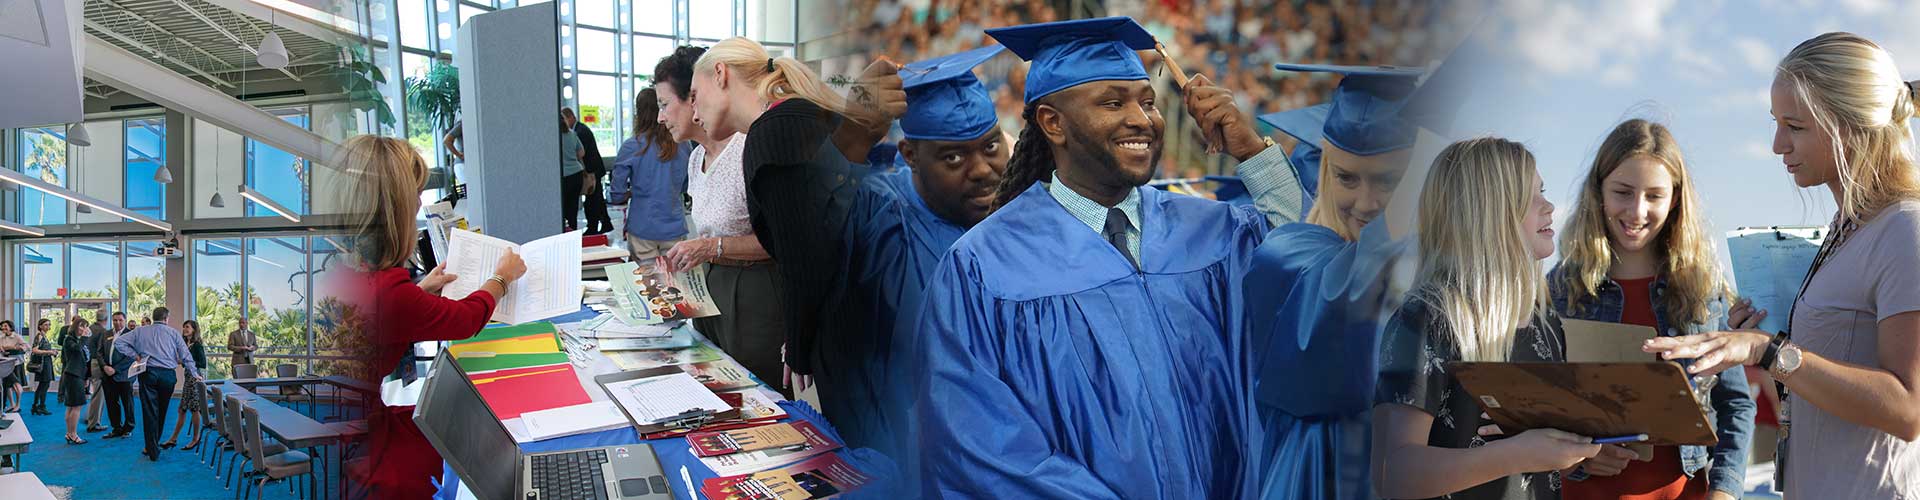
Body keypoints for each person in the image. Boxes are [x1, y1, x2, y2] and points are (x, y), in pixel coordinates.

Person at [911, 17, 1291, 497]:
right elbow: (978, 447)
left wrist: (1254, 152)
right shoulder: (983, 268)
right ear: (1053, 123)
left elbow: (1305, 286)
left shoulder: (1215, 234)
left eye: (1147, 101)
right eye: (1113, 102)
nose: (1143, 119)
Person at [1643, 32, 1920, 498]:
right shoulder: (1848, 229)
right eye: (1777, 123)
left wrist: (1767, 351)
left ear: (1850, 124)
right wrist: (1771, 337)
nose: (1777, 145)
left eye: (1795, 126)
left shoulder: (1905, 230)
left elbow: (1909, 410)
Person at [1242, 63, 1434, 500]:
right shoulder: (1290, 257)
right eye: (1346, 177)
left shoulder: (1445, 270)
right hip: (1324, 478)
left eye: (1388, 181)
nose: (1366, 203)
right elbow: (1350, 291)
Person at [1371, 137, 1601, 500]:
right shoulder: (1426, 319)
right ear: (1488, 211)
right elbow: (1394, 474)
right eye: (1531, 196)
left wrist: (1582, 449)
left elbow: (1546, 461)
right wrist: (1515, 453)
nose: (1550, 206)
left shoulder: (1545, 323)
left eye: (1544, 191)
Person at [1550, 119, 1755, 500]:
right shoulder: (1560, 289)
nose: (1637, 211)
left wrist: (1725, 491)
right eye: (1623, 192)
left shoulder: (1703, 288)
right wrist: (1578, 458)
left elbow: (1736, 405)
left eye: (1654, 196)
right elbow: (1535, 407)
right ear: (1599, 193)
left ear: (1675, 198)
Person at [336, 134, 527, 497]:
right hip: (365, 448)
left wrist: (419, 291)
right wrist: (501, 278)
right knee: (465, 445)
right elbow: (466, 320)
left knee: (453, 426)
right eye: (415, 199)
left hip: (350, 430)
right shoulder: (389, 292)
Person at [655, 45, 791, 394]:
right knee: (713, 387)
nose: (660, 117)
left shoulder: (749, 146)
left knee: (755, 394)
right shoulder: (695, 157)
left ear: (694, 98)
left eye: (664, 104)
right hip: (710, 289)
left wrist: (711, 246)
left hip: (754, 293)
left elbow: (783, 238)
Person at [609, 88, 691, 266]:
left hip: (642, 227)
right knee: (674, 286)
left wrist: (632, 192)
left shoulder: (631, 146)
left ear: (640, 112)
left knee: (649, 286)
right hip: (674, 226)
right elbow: (686, 187)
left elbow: (616, 194)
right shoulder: (684, 144)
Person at [113, 306, 202, 461]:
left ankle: (151, 448)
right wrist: (195, 374)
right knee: (161, 411)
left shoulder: (140, 331)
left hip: (148, 373)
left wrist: (135, 356)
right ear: (166, 319)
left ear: (153, 318)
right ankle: (153, 445)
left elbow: (119, 343)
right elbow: (186, 356)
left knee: (149, 412)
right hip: (167, 376)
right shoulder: (173, 333)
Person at [565, 107, 615, 235]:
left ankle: (593, 227)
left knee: (593, 200)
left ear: (571, 117)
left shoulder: (579, 132)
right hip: (594, 170)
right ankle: (605, 223)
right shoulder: (580, 129)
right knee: (596, 199)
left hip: (592, 171)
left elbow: (581, 153)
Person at [162, 319, 209, 451]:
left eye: (187, 327)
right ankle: (173, 438)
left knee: (194, 409)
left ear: (194, 329)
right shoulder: (185, 344)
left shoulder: (197, 345)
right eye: (184, 327)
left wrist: (186, 361)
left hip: (195, 379)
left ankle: (195, 438)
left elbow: (202, 363)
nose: (185, 329)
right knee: (181, 409)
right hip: (188, 378)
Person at [94, 312, 136, 438]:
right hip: (107, 375)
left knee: (127, 403)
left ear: (125, 320)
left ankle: (128, 428)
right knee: (111, 403)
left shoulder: (131, 334)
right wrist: (104, 366)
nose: (117, 323)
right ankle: (116, 428)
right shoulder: (106, 334)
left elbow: (131, 355)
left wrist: (115, 369)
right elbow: (99, 352)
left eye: (120, 320)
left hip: (124, 375)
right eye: (115, 320)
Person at [58, 318, 92, 445]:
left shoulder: (78, 340)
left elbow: (84, 360)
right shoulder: (69, 339)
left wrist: (86, 377)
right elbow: (77, 350)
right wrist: (84, 338)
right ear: (75, 327)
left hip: (77, 375)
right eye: (81, 326)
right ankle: (73, 434)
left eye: (85, 326)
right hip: (73, 375)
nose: (84, 329)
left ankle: (69, 433)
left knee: (71, 406)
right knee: (76, 406)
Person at [560, 109, 592, 232]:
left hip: (562, 176)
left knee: (562, 210)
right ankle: (572, 233)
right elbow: (581, 153)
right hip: (576, 175)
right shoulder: (572, 133)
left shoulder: (554, 136)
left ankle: (563, 235)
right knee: (573, 209)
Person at [84, 310, 110, 431]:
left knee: (95, 392)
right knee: (99, 393)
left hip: (90, 363)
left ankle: (89, 417)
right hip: (98, 363)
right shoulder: (103, 332)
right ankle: (94, 423)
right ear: (106, 319)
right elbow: (102, 350)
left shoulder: (90, 328)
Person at [27, 320, 56, 416]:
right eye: (46, 325)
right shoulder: (39, 336)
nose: (48, 326)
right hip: (43, 364)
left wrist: (52, 351)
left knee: (43, 386)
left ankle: (37, 406)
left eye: (49, 324)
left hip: (46, 363)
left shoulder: (44, 336)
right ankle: (40, 406)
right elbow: (34, 350)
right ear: (40, 326)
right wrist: (49, 352)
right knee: (43, 386)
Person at [0, 319, 25, 413]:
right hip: (5, 364)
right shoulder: (1, 337)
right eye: (2, 326)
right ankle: (12, 404)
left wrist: (13, 348)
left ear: (10, 327)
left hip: (16, 363)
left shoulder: (17, 337)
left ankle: (18, 405)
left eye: (5, 326)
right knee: (7, 386)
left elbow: (26, 347)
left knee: (16, 385)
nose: (3, 328)